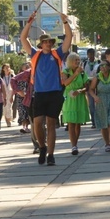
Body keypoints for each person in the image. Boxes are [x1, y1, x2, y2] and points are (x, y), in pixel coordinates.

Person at [20, 10, 73, 166]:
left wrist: (65, 22)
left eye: (50, 42)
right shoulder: (35, 55)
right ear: (41, 44)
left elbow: (68, 38)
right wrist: (29, 22)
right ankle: (42, 147)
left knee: (51, 125)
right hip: (40, 93)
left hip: (55, 93)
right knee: (37, 123)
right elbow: (23, 38)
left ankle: (50, 154)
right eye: (45, 42)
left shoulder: (58, 54)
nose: (48, 44)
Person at [62, 52, 91, 155]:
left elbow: (86, 86)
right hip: (69, 98)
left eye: (79, 60)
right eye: (76, 60)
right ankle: (73, 146)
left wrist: (80, 91)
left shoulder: (83, 73)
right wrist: (75, 74)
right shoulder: (65, 71)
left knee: (78, 123)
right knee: (71, 123)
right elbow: (65, 83)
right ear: (70, 61)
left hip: (79, 98)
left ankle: (76, 143)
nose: (78, 62)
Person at [11, 62, 33, 135]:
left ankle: (28, 127)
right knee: (22, 112)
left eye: (28, 66)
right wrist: (12, 96)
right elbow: (14, 86)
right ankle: (24, 127)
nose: (27, 68)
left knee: (27, 113)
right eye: (25, 67)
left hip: (29, 97)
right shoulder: (19, 77)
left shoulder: (31, 75)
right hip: (20, 97)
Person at [82, 48, 100, 128]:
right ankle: (93, 121)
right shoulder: (85, 63)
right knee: (91, 105)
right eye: (89, 54)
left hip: (97, 85)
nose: (91, 56)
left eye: (92, 54)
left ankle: (99, 120)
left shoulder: (98, 62)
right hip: (89, 86)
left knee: (98, 104)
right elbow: (83, 74)